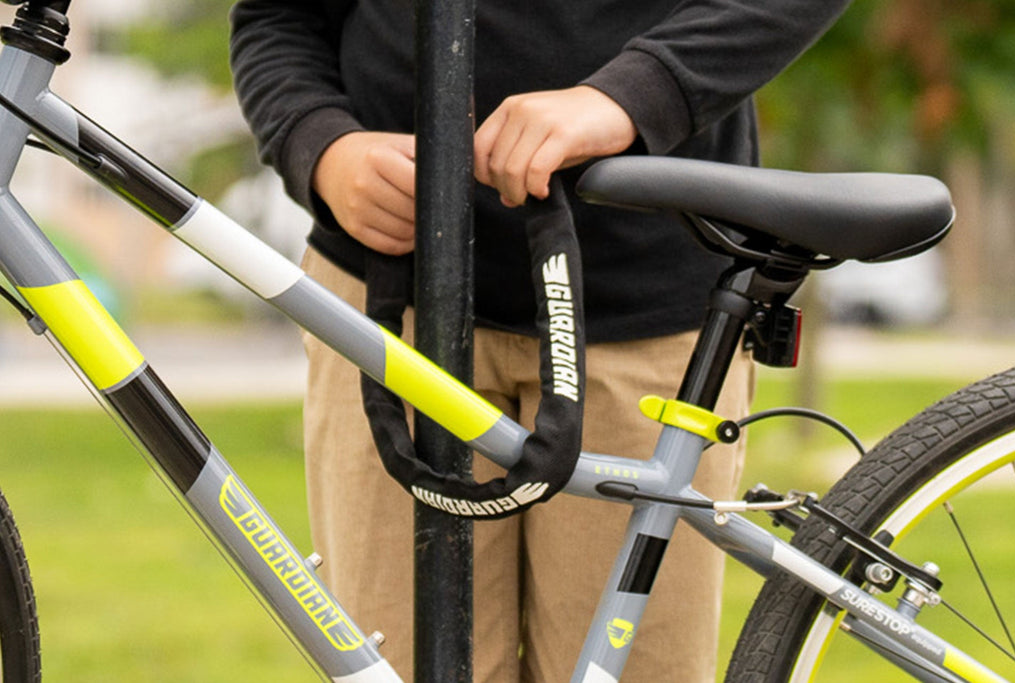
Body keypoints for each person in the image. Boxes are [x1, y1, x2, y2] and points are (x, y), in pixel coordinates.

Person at [229, 1, 848, 680]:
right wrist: (323, 147)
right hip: (389, 308)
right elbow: (277, 16)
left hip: (644, 316)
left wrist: (630, 94)